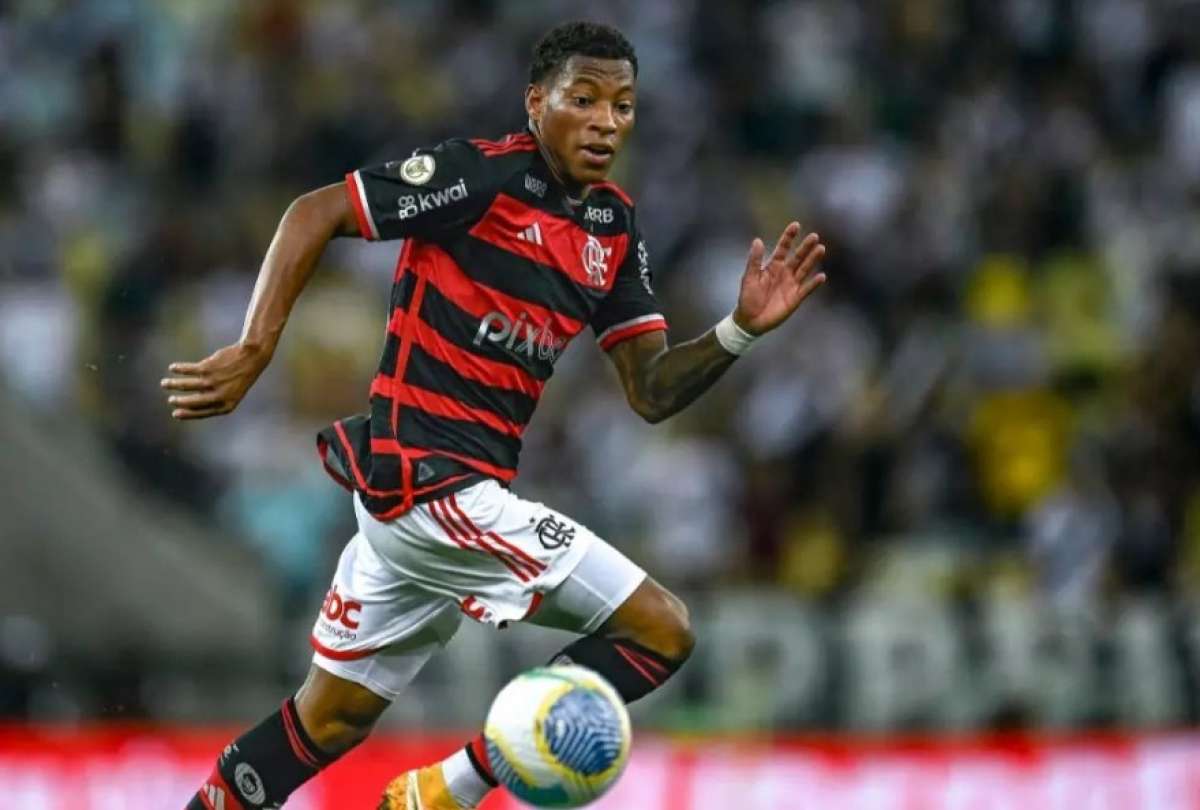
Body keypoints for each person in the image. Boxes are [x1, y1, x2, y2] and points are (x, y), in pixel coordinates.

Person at [167, 20, 825, 810]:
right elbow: (315, 211)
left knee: (328, 720)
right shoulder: (479, 178)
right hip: (431, 486)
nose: (605, 122)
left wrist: (739, 330)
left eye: (622, 106)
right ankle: (449, 789)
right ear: (536, 103)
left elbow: (651, 390)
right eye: (583, 100)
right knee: (663, 630)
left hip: (424, 504)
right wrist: (255, 347)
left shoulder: (611, 229)